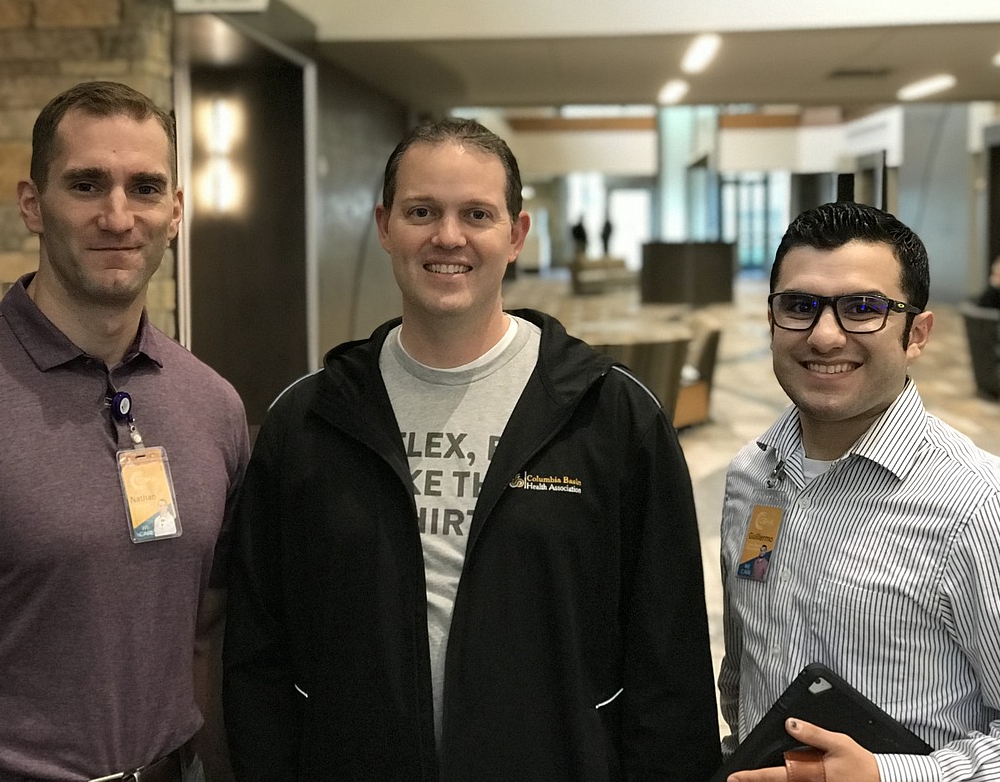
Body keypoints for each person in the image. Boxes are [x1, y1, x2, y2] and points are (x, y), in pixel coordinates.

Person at [221, 117, 720, 781]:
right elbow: (259, 652)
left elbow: (669, 663)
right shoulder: (308, 420)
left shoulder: (611, 416)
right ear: (384, 225)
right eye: (422, 210)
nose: (447, 236)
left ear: (516, 234)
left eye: (476, 214)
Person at [0, 81, 250, 781]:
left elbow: (206, 638)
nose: (118, 215)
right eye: (86, 184)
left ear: (175, 211)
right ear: (34, 203)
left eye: (145, 188)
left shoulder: (213, 406)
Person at [719, 201, 1000, 782]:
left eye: (864, 309)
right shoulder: (751, 477)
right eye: (800, 306)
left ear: (916, 334)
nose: (825, 337)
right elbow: (744, 670)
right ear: (772, 320)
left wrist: (886, 776)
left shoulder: (976, 505)